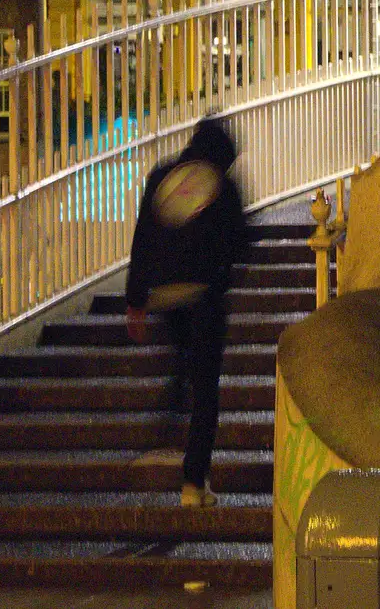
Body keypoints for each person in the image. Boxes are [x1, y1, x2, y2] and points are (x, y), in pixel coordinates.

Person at [124, 117, 249, 508]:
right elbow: (237, 241)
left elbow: (143, 236)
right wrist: (223, 279)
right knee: (205, 389)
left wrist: (136, 298)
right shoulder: (222, 186)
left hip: (164, 295)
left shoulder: (163, 176)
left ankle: (171, 408)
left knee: (182, 365)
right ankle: (194, 483)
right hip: (203, 295)